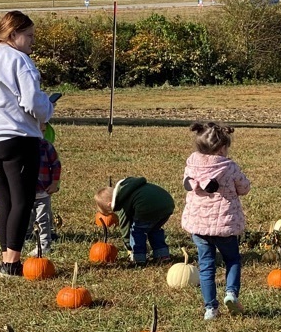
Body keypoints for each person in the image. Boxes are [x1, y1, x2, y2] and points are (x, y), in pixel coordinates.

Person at [0, 11, 54, 278]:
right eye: (29, 36)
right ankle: (12, 263)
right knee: (22, 200)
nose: (31, 42)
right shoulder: (19, 59)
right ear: (13, 35)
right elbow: (31, 100)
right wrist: (47, 109)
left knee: (5, 199)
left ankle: (6, 257)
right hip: (15, 136)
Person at [181, 121, 250, 320]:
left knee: (206, 266)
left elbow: (187, 183)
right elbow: (244, 188)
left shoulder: (191, 164)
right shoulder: (229, 167)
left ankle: (210, 308)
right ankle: (230, 293)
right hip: (224, 226)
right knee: (232, 260)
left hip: (199, 227)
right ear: (222, 148)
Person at [94, 179, 174, 266]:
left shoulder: (123, 201)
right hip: (167, 204)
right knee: (154, 229)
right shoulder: (128, 188)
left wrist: (129, 245)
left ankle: (139, 258)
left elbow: (125, 225)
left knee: (137, 231)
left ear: (110, 204)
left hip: (147, 208)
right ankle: (162, 255)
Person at [27, 131, 61, 255]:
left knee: (43, 219)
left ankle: (44, 244)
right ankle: (27, 237)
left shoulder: (46, 146)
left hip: (43, 191)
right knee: (26, 216)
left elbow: (56, 164)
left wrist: (54, 183)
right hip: (25, 191)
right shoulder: (21, 146)